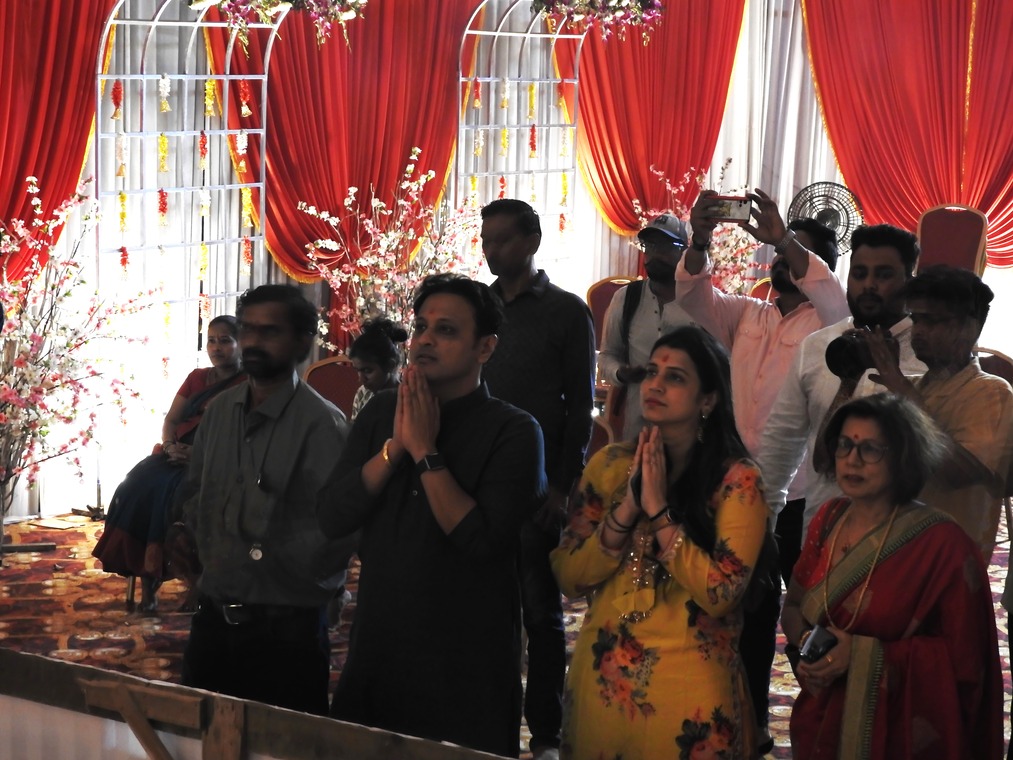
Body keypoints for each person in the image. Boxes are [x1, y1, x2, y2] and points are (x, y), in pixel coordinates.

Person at [319, 273, 546, 757]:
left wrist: (425, 451)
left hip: (465, 660)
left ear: (485, 347)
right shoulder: (383, 411)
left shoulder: (513, 431)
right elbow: (333, 516)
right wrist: (395, 449)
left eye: (446, 330)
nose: (424, 340)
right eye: (421, 326)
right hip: (379, 643)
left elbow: (482, 542)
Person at [677, 189, 849, 753]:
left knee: (806, 610)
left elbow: (831, 295)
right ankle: (749, 723)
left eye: (794, 252)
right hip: (737, 489)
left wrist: (785, 238)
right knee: (746, 610)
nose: (780, 258)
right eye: (777, 252)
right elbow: (694, 298)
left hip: (801, 495)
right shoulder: (748, 315)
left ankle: (821, 722)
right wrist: (700, 238)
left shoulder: (833, 325)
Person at [551, 325, 768, 760]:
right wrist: (628, 509)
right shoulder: (610, 464)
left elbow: (721, 594)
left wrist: (658, 511)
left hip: (689, 692)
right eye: (652, 372)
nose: (655, 384)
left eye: (676, 377)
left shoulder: (737, 480)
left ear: (708, 400)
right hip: (603, 685)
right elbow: (569, 577)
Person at [781, 393, 1003, 759]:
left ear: (903, 458)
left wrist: (864, 657)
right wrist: (811, 644)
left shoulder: (943, 545)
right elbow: (793, 606)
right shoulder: (829, 519)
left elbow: (967, 663)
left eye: (870, 449)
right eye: (844, 445)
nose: (852, 459)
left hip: (901, 734)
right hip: (824, 717)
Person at [180, 284, 352, 716]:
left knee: (283, 742)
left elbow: (336, 531)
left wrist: (271, 574)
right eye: (248, 330)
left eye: (269, 331)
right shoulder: (220, 412)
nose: (253, 341)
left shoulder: (322, 425)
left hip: (286, 631)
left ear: (303, 343)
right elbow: (197, 492)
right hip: (214, 617)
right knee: (201, 735)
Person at [480, 199, 595, 760]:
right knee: (481, 611)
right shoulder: (479, 309)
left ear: (532, 241)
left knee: (540, 612)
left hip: (538, 486)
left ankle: (546, 733)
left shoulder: (566, 312)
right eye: (486, 240)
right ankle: (486, 725)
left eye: (502, 239)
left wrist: (562, 486)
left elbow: (579, 408)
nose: (491, 250)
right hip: (477, 482)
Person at [758, 223, 924, 540]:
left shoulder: (925, 353)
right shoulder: (816, 346)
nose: (869, 284)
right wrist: (759, 529)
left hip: (900, 543)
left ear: (909, 283)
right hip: (820, 536)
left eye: (884, 275)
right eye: (859, 273)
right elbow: (780, 446)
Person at [859, 264, 1013, 561]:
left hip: (950, 562)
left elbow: (956, 474)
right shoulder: (912, 387)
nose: (918, 331)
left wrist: (901, 389)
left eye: (932, 321)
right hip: (894, 549)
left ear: (970, 328)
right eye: (916, 319)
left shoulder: (991, 392)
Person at [93, 315, 244, 612]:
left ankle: (187, 581)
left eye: (225, 340)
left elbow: (244, 437)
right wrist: (170, 445)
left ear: (242, 344)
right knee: (136, 485)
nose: (216, 347)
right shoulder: (197, 377)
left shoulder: (249, 383)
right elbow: (171, 420)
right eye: (211, 340)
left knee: (172, 496)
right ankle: (146, 579)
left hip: (217, 461)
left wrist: (198, 455)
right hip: (176, 453)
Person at [597, 214, 695, 441]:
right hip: (636, 428)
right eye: (649, 246)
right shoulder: (626, 298)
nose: (654, 254)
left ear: (684, 252)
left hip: (687, 433)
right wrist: (621, 372)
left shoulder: (701, 302)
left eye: (664, 246)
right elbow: (607, 356)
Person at [348, 317, 407, 422]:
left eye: (367, 371)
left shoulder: (406, 399)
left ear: (390, 365)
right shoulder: (363, 394)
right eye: (358, 370)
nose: (361, 379)